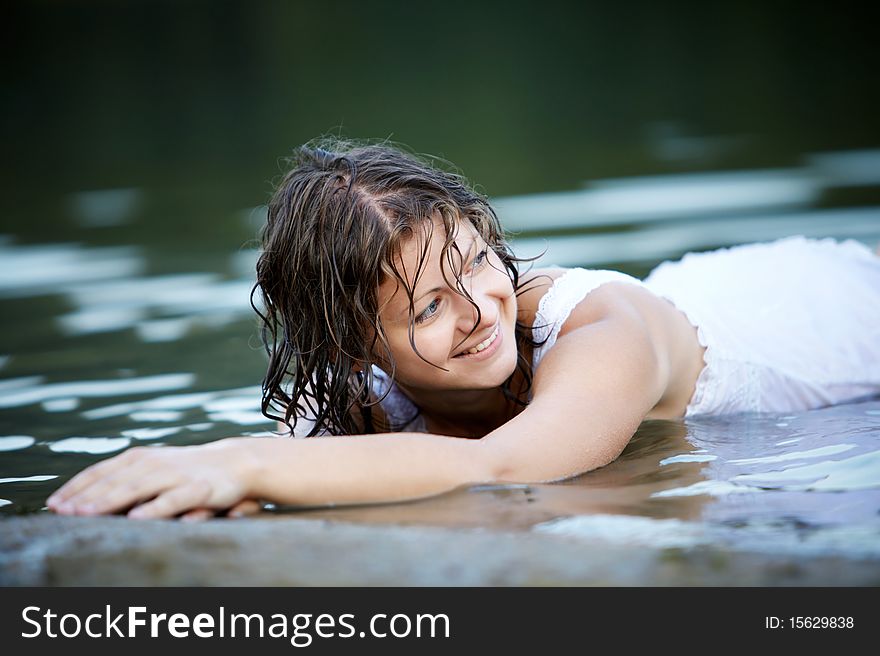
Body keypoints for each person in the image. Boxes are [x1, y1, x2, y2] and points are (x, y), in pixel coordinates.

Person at [47, 139, 880, 520]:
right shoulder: (356, 395)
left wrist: (240, 458)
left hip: (832, 315)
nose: (481, 310)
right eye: (429, 307)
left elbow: (500, 466)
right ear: (351, 345)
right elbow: (301, 477)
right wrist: (224, 492)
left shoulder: (603, 330)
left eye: (478, 262)